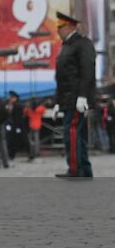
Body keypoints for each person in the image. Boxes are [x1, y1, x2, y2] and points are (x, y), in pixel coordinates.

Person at [53, 11, 96, 179]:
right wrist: (58, 101)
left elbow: (87, 71)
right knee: (78, 134)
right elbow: (62, 77)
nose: (58, 31)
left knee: (71, 134)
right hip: (69, 99)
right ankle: (84, 169)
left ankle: (75, 169)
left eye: (60, 27)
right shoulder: (67, 46)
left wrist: (83, 95)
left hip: (76, 98)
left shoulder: (82, 44)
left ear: (70, 26)